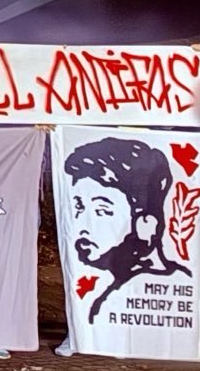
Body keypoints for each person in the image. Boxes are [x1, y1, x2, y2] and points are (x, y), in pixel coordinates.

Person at [60, 134, 190, 323]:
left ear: (145, 221)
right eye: (79, 207)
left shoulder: (155, 286)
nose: (83, 226)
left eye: (102, 210)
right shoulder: (109, 287)